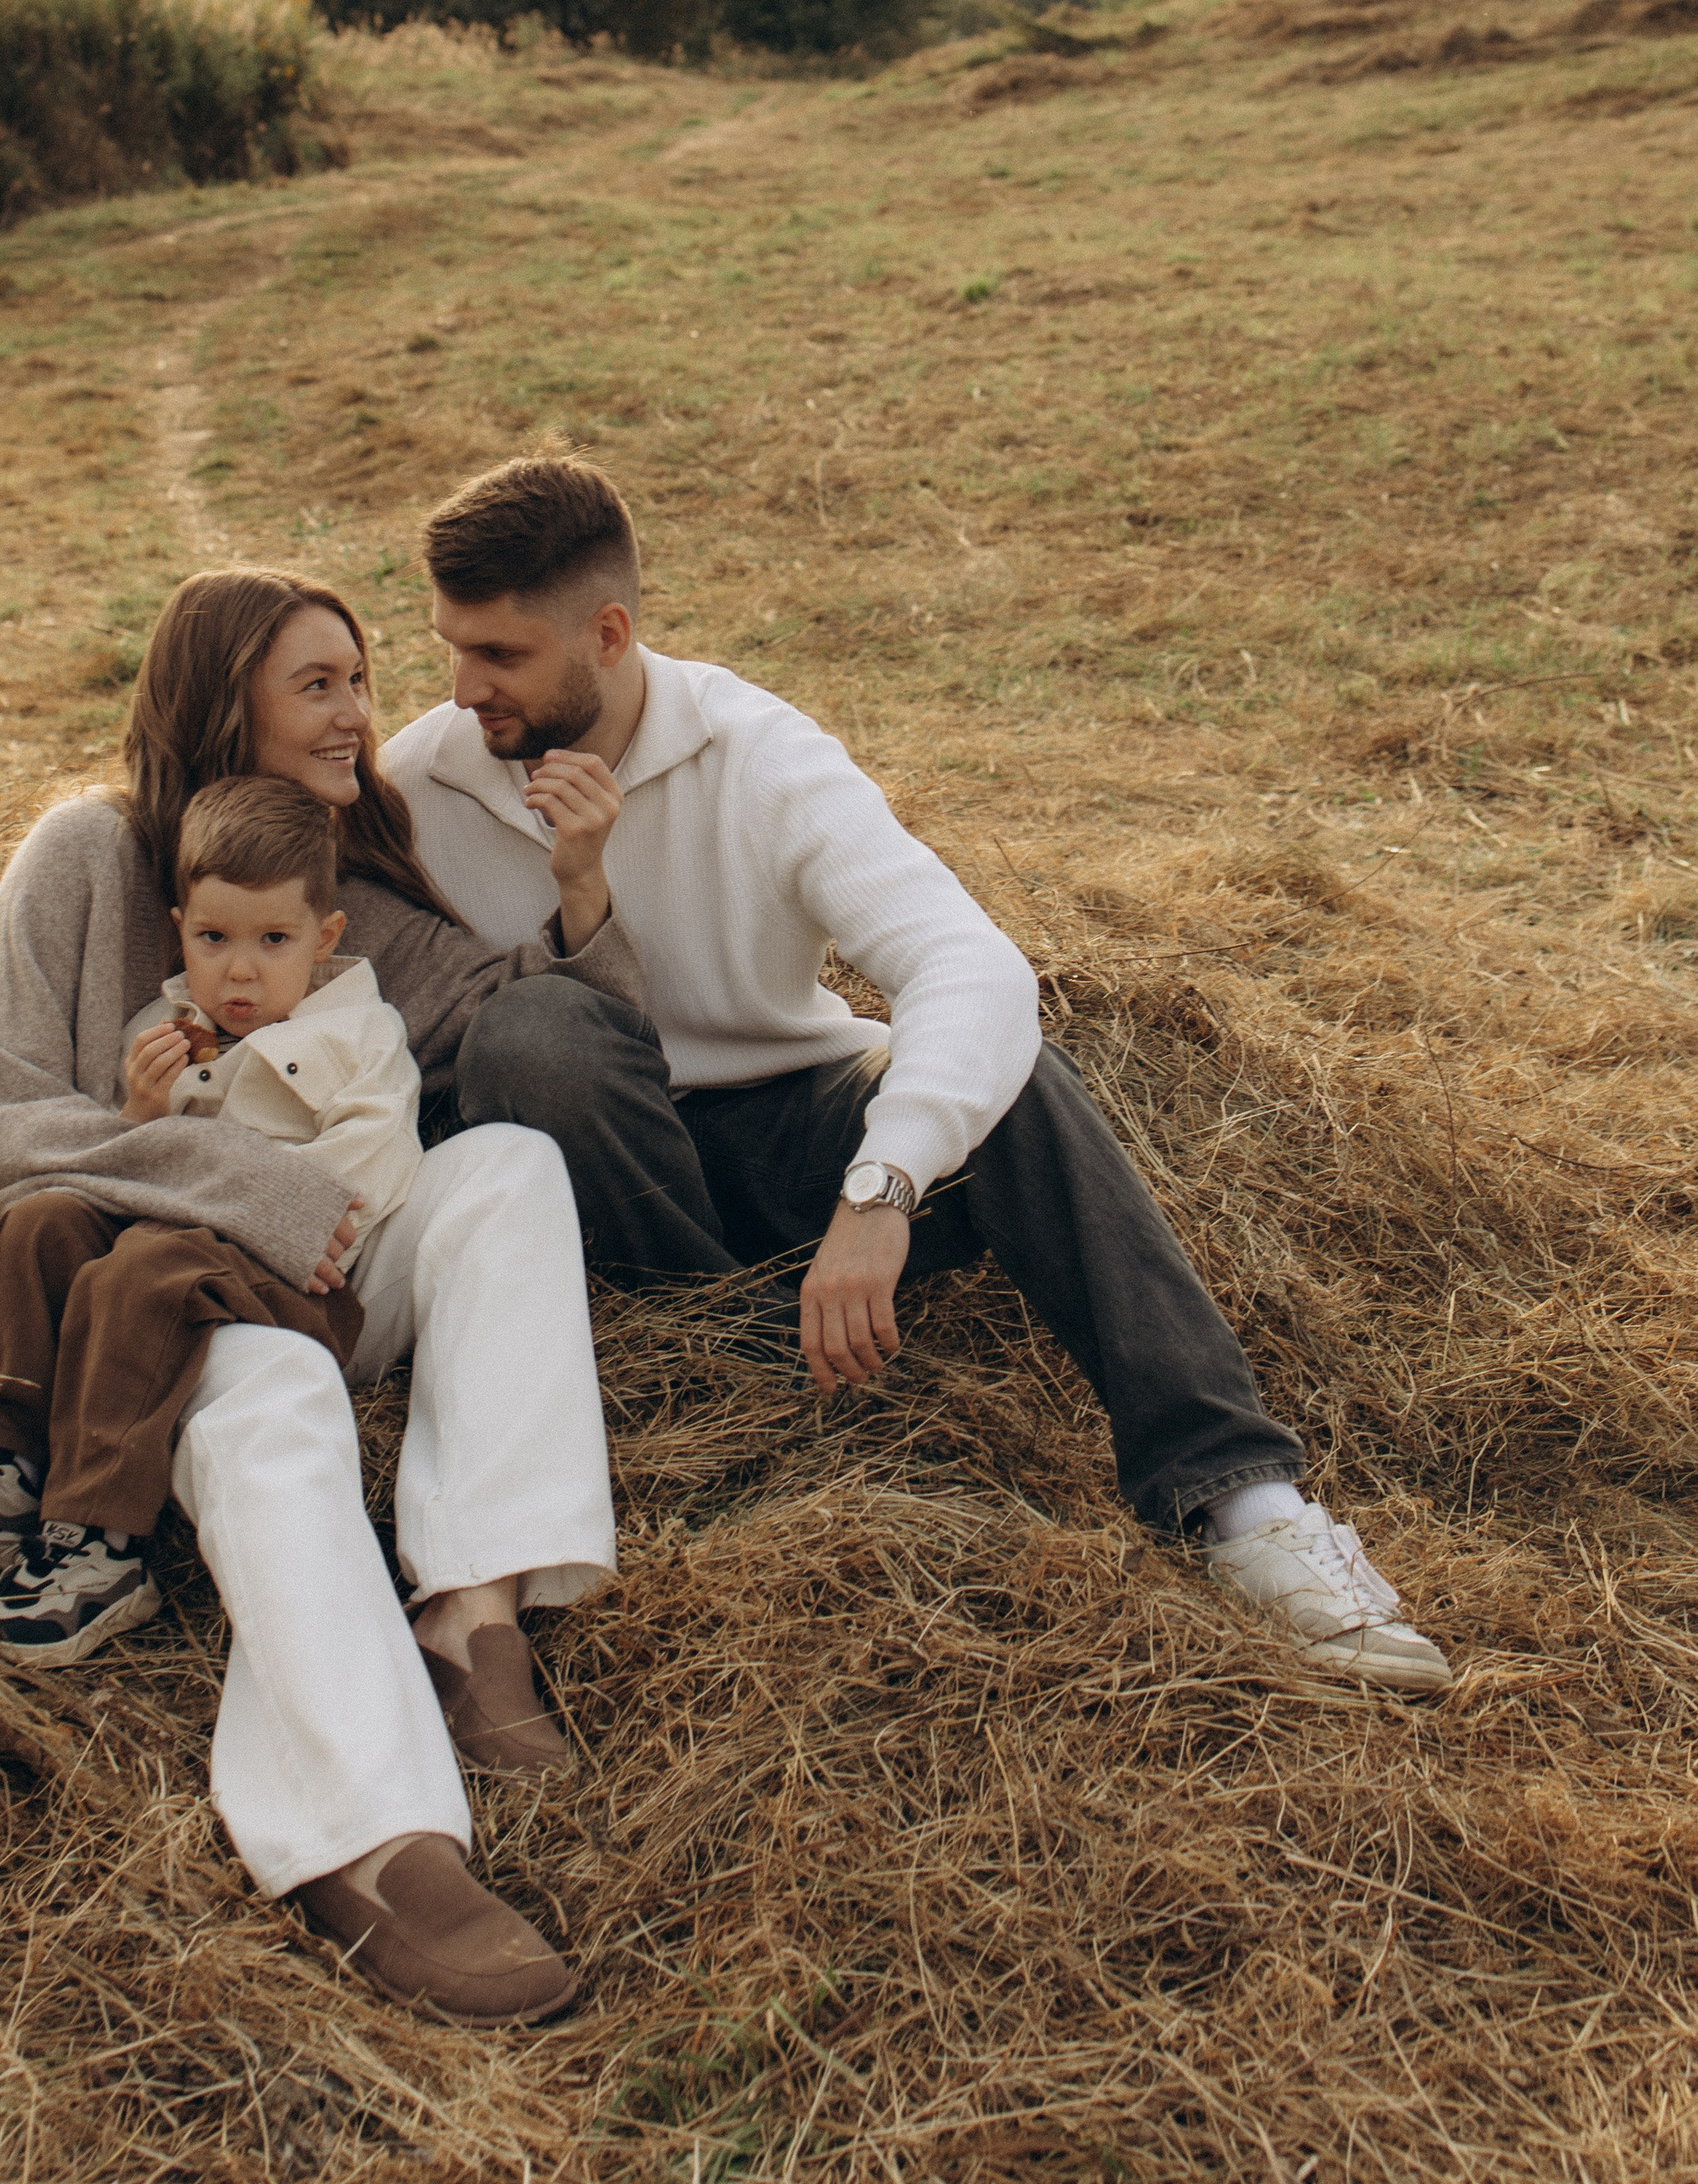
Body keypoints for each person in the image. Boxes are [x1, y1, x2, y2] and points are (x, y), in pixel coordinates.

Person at [384, 454, 1453, 1697]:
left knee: (1020, 1081)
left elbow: (972, 967)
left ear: (609, 635)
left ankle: (1242, 1501)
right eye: (449, 649)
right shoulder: (426, 779)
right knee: (538, 1036)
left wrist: (881, 1188)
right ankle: (733, 1372)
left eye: (499, 657)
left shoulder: (758, 754)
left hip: (789, 1135)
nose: (464, 689)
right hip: (588, 1174)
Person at [0, 567, 643, 2023]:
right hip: (131, 1310)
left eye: (363, 683)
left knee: (503, 1167)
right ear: (218, 693)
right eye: (321, 684)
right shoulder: (83, 860)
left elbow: (539, 1021)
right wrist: (247, 1190)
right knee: (278, 1392)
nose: (361, 715)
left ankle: (474, 1611)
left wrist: (583, 892)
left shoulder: (340, 890)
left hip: (311, 1262)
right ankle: (375, 1841)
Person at [0, 775, 429, 1671]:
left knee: (135, 1275)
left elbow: (363, 1173)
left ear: (324, 938)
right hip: (161, 1233)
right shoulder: (164, 1024)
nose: (241, 969)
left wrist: (268, 1204)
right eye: (214, 939)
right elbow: (125, 1165)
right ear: (180, 926)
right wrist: (138, 1111)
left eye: (273, 941)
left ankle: (97, 1541)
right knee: (46, 1221)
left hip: (292, 1280)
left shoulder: (359, 1033)